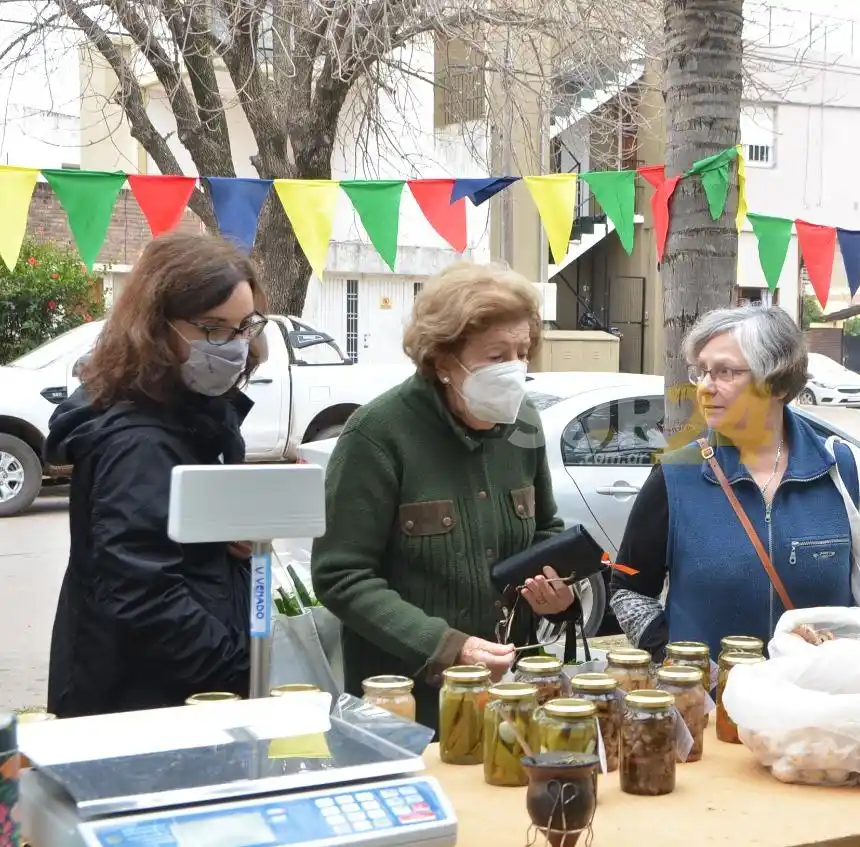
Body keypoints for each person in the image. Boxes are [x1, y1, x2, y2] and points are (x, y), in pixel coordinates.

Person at [311, 261, 576, 728]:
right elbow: (342, 576)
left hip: (510, 695)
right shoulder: (376, 435)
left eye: (522, 352)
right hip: (407, 706)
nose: (514, 369)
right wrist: (447, 647)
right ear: (441, 360)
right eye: (496, 356)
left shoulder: (525, 423)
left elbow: (544, 531)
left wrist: (556, 589)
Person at [44, 232, 268, 717]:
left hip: (172, 689)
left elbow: (172, 546)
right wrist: (243, 669)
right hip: (142, 704)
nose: (231, 347)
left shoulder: (193, 415)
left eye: (242, 327)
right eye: (212, 328)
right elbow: (144, 596)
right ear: (156, 326)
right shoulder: (140, 440)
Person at [609, 306, 860, 659]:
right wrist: (685, 668)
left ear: (777, 381)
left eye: (725, 372)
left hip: (817, 702)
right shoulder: (674, 475)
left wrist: (846, 661)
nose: (705, 388)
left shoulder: (846, 472)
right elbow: (627, 588)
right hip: (711, 707)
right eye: (702, 372)